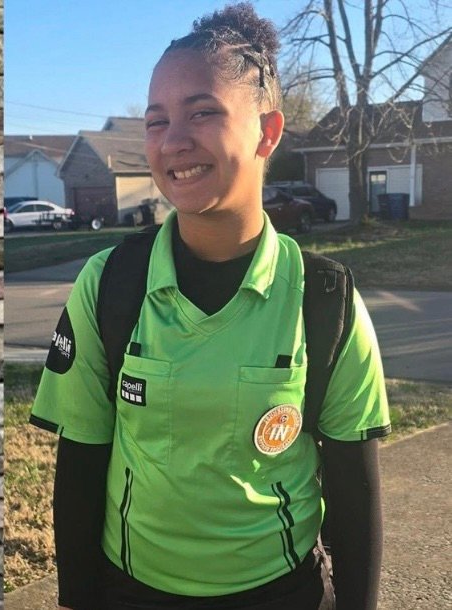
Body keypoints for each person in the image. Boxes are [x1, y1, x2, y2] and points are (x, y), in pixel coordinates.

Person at [30, 4, 390, 609]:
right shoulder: (110, 284)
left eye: (203, 112)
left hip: (283, 594)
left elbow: (355, 490)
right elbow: (82, 460)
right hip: (132, 592)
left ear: (268, 131)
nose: (174, 142)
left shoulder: (325, 300)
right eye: (156, 120)